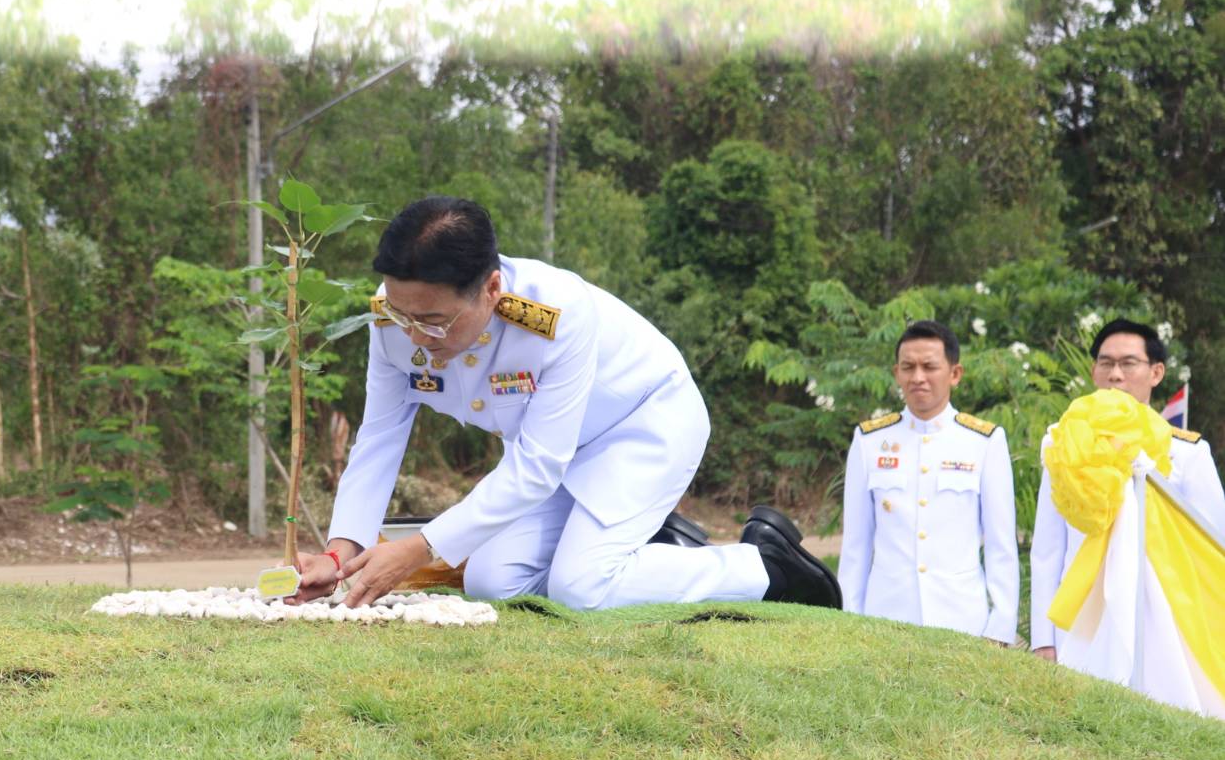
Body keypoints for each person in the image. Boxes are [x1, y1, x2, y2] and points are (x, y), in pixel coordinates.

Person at [290, 195, 840, 611]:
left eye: (434, 322)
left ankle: (766, 567)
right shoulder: (394, 315)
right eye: (403, 314)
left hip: (644, 423)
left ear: (492, 289)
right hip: (557, 448)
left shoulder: (556, 314)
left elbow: (535, 468)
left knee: (582, 587)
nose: (414, 336)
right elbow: (381, 438)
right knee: (489, 581)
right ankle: (641, 541)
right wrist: (340, 554)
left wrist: (421, 547)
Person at [1029, 318, 1225, 661]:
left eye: (1128, 363)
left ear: (1156, 373)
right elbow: (1048, 549)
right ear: (1093, 372)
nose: (1115, 375)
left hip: (1163, 623)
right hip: (1082, 621)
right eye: (1106, 363)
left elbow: (1213, 547)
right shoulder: (1062, 443)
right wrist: (1043, 638)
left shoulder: (1187, 453)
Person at [837, 320, 1019, 643]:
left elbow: (1000, 545)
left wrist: (1000, 627)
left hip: (963, 621)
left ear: (955, 374)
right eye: (908, 367)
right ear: (896, 374)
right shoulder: (869, 441)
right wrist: (850, 620)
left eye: (929, 366)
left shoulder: (984, 442)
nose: (917, 377)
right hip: (885, 619)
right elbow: (855, 546)